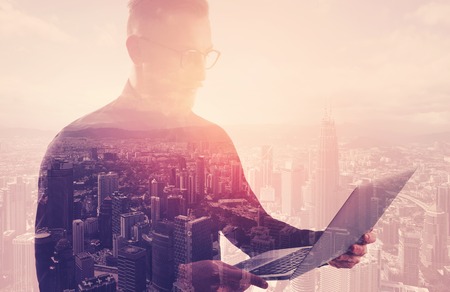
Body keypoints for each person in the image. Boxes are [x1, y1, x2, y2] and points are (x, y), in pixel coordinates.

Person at [35, 0, 375, 291]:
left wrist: (327, 245)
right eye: (186, 55)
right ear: (137, 50)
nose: (200, 74)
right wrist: (176, 280)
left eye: (205, 55)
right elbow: (56, 279)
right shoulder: (73, 148)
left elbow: (251, 228)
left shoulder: (210, 140)